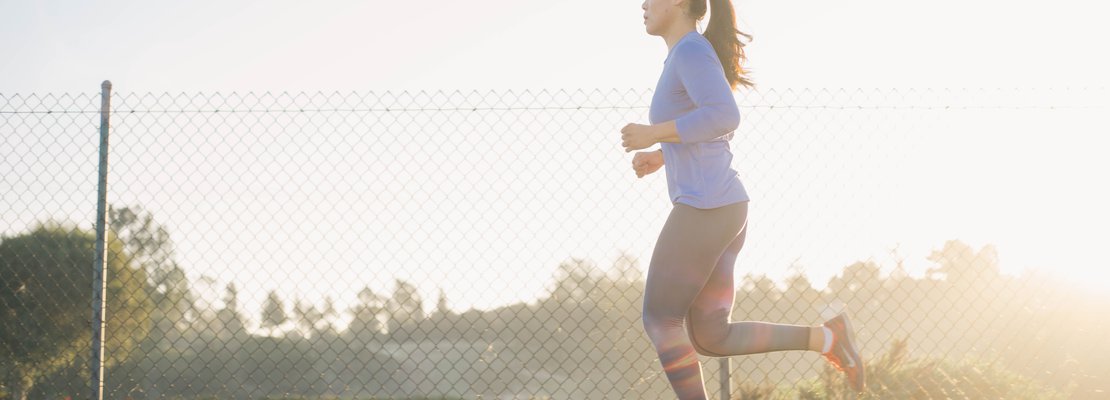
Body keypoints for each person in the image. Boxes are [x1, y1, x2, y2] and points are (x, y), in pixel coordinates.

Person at [620, 0, 865, 397]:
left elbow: (724, 116)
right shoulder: (685, 54)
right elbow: (710, 128)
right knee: (711, 336)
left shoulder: (691, 50)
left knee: (660, 318)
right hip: (722, 207)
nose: (643, 4)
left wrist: (654, 132)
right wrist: (663, 154)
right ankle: (827, 339)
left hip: (708, 206)